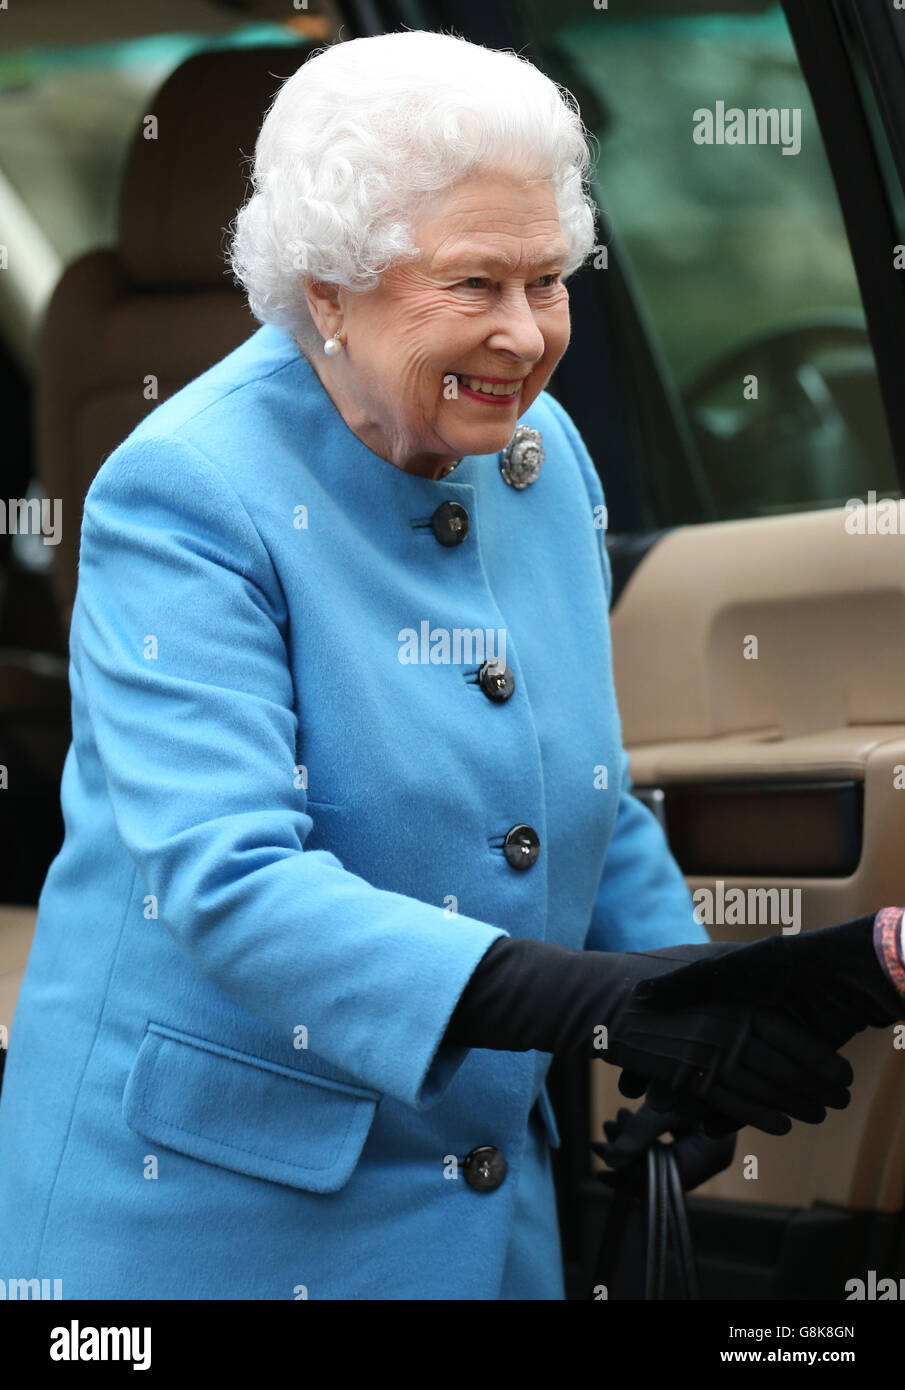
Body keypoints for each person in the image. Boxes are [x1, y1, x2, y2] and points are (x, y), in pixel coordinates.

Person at [0, 30, 894, 1302]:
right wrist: (594, 1003)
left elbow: (579, 787)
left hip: (482, 1214)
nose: (526, 336)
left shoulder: (542, 456)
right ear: (326, 288)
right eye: (473, 285)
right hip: (212, 1221)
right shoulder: (186, 490)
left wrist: (698, 1003)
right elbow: (232, 882)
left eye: (549, 279)